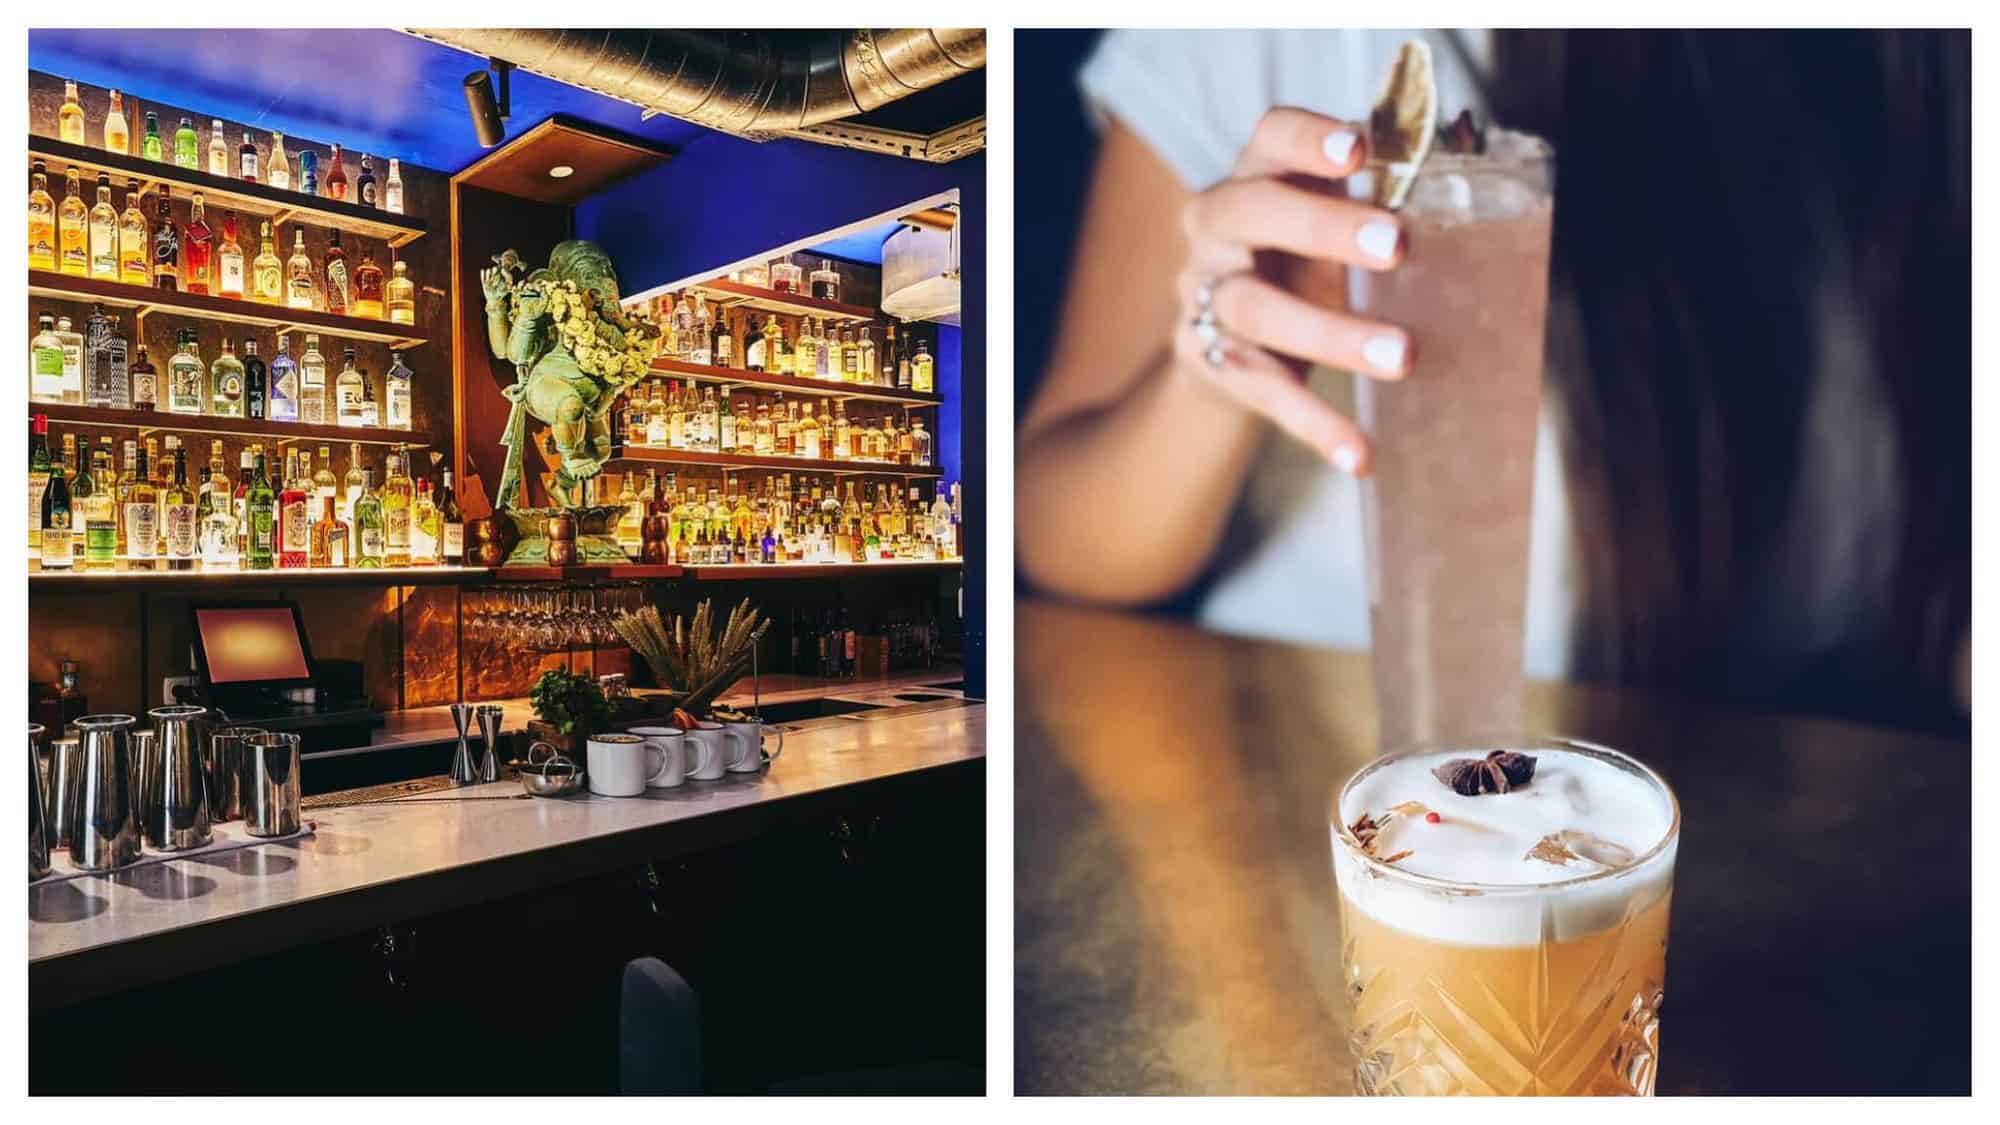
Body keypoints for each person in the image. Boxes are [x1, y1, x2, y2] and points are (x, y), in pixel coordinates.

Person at [1017, 29, 1969, 731]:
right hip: (1329, 788)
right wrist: (1214, 372)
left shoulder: (1901, 59)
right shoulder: (1264, 39)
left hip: (1813, 799)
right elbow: (1054, 531)